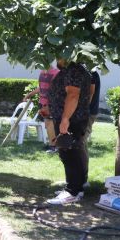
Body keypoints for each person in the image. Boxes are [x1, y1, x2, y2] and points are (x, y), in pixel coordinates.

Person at [46, 59, 91, 205]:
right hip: (70, 118)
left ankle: (73, 191)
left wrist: (65, 119)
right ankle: (75, 187)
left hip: (72, 119)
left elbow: (73, 95)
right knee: (69, 152)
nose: (56, 59)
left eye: (58, 55)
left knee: (70, 153)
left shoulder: (74, 70)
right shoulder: (73, 70)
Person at [23, 66, 60, 153]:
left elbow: (56, 90)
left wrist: (49, 104)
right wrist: (29, 95)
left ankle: (53, 146)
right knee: (47, 124)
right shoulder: (42, 72)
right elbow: (41, 88)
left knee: (50, 123)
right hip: (42, 102)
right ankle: (52, 144)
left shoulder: (56, 73)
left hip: (50, 103)